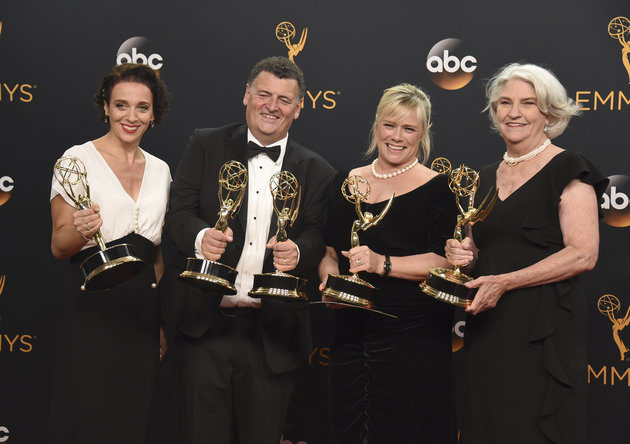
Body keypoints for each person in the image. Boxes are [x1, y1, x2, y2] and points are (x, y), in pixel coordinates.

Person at [160, 56, 334, 444]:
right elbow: (178, 214)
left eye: (284, 100)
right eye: (264, 94)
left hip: (272, 337)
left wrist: (300, 253)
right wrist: (200, 237)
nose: (272, 106)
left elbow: (317, 236)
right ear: (246, 95)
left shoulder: (317, 169)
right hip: (204, 330)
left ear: (299, 107)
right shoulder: (205, 144)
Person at [444, 63, 608, 444]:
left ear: (548, 112)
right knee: (488, 424)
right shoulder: (483, 177)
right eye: (505, 103)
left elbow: (584, 253)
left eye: (527, 103)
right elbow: (480, 249)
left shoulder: (569, 167)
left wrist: (506, 282)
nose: (514, 112)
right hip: (488, 325)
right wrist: (463, 254)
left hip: (545, 327)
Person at [318, 83, 458, 443]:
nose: (397, 137)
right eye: (389, 125)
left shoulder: (438, 188)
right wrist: (332, 285)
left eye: (409, 128)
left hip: (413, 340)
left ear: (423, 134)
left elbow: (443, 261)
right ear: (376, 126)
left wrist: (382, 263)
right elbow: (330, 253)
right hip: (350, 339)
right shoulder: (344, 182)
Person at [48, 63, 171, 443]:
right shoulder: (77, 160)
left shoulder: (162, 170)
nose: (130, 117)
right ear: (105, 107)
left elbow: (157, 254)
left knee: (134, 417)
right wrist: (81, 229)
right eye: (121, 105)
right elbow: (58, 245)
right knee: (89, 414)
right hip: (93, 305)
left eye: (141, 107)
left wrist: (161, 319)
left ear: (154, 114)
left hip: (141, 315)